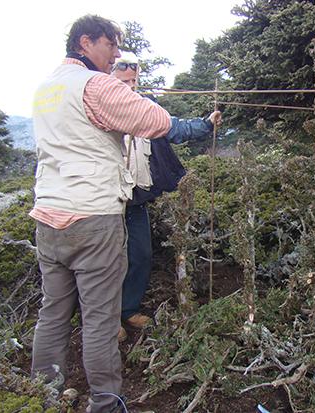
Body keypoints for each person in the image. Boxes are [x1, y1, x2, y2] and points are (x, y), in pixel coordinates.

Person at [30, 14, 199, 413]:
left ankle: (41, 394)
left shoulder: (46, 88)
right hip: (92, 217)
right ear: (86, 42)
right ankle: (105, 403)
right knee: (101, 318)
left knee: (53, 312)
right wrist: (187, 123)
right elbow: (154, 121)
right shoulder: (94, 85)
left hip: (48, 216)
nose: (117, 55)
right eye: (111, 46)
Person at [111, 53, 221, 341]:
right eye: (124, 80)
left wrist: (207, 124)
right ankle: (106, 320)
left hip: (134, 200)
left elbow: (175, 128)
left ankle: (128, 309)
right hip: (104, 200)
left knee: (141, 254)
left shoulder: (144, 107)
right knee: (107, 260)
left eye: (134, 80)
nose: (130, 85)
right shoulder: (98, 107)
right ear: (110, 78)